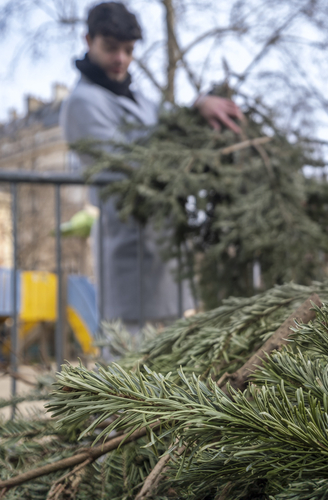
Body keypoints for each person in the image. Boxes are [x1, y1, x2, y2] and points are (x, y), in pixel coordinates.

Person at [60, 2, 243, 333]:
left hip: (166, 252)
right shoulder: (82, 103)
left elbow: (175, 123)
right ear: (88, 41)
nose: (121, 59)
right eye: (111, 48)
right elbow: (133, 165)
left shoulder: (142, 101)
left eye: (129, 50)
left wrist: (201, 106)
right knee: (128, 356)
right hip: (129, 253)